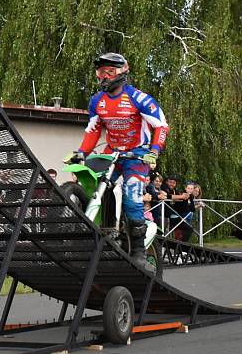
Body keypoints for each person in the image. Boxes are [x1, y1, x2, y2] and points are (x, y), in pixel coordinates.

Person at [64, 52, 169, 269]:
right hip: (112, 152)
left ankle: (139, 252)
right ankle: (102, 230)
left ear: (122, 72)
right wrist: (82, 151)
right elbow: (93, 130)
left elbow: (161, 125)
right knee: (94, 183)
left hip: (137, 154)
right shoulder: (97, 101)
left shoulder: (139, 98)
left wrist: (154, 151)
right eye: (100, 72)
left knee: (132, 197)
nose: (103, 77)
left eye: (108, 72)